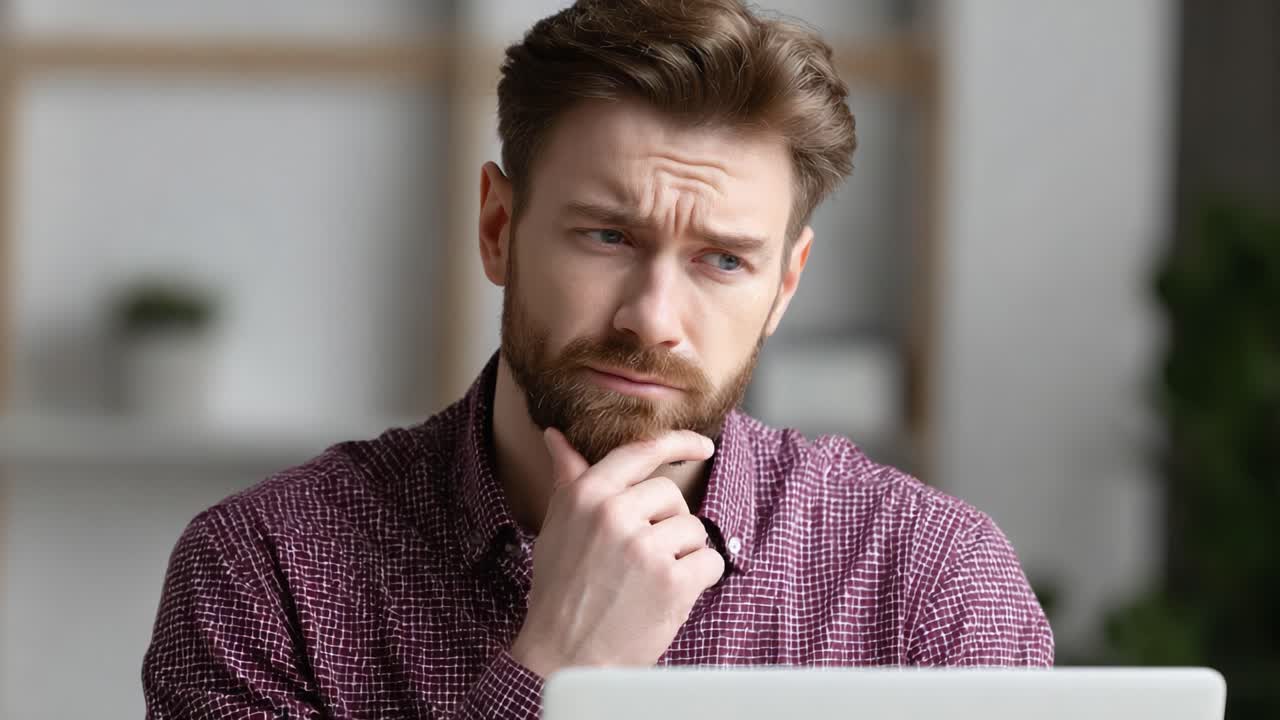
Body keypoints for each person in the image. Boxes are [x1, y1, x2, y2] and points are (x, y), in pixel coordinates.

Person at [142, 1, 1053, 718]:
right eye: (608, 236)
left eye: (723, 260)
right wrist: (559, 669)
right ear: (500, 228)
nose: (653, 319)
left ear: (783, 287)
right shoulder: (270, 573)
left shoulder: (930, 579)